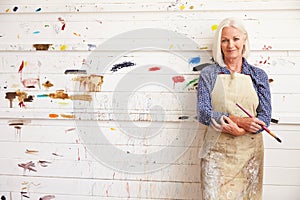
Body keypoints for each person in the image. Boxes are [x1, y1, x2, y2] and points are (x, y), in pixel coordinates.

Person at [197, 17, 271, 200]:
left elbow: (265, 117)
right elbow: (203, 112)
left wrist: (242, 129)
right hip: (216, 154)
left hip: (249, 156)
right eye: (225, 40)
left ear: (244, 40)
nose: (231, 45)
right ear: (219, 44)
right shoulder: (209, 74)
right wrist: (237, 121)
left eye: (235, 39)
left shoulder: (258, 75)